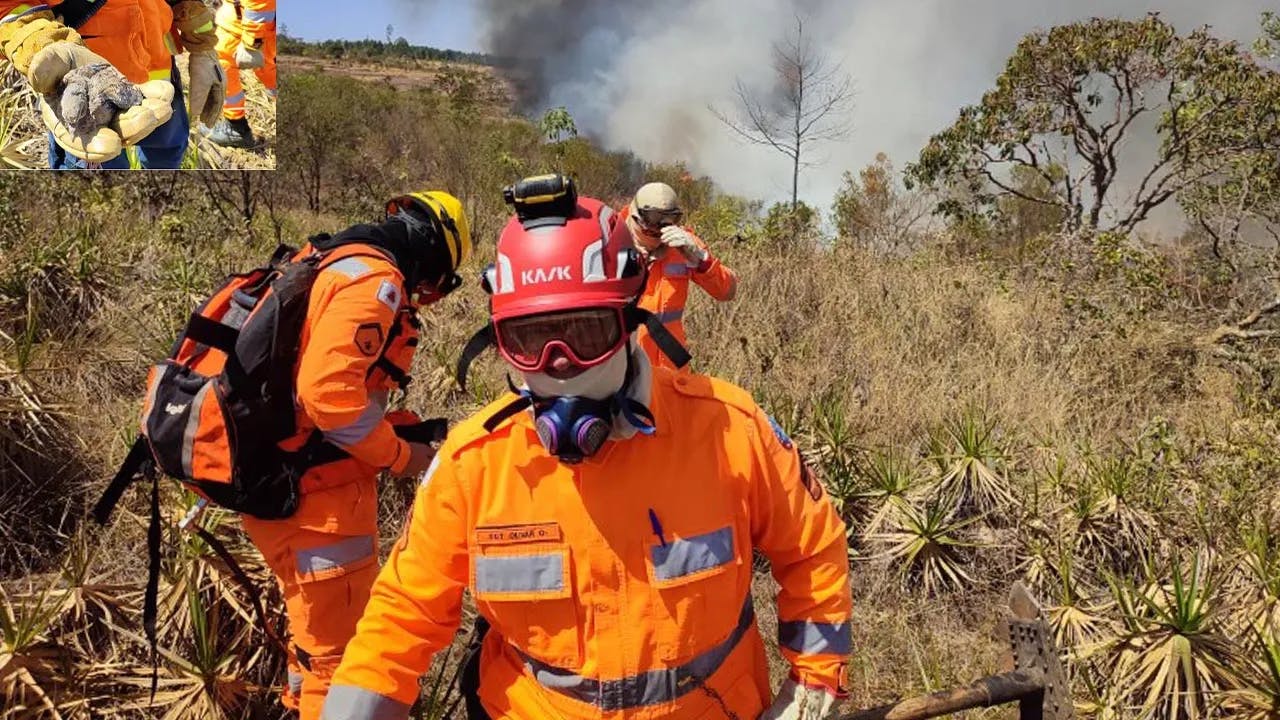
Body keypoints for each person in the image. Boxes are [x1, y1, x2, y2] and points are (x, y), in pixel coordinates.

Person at [321, 178, 852, 720]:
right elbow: (401, 617)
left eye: (584, 331)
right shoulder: (473, 464)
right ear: (500, 341)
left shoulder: (728, 429)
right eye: (531, 341)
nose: (561, 362)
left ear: (628, 322)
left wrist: (814, 688)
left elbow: (811, 548)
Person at [243, 191, 472, 720]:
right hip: (319, 511)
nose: (427, 295)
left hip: (280, 490)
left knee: (311, 639)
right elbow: (328, 396)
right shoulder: (377, 281)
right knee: (341, 663)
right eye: (435, 284)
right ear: (431, 253)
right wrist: (400, 456)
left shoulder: (332, 258)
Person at [0, 0, 225, 169]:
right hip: (86, 96)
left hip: (159, 77)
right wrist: (46, 52)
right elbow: (9, 8)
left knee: (168, 153)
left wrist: (202, 43)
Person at [623, 181, 738, 370]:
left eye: (667, 222)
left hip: (670, 364)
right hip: (627, 364)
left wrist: (702, 259)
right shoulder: (611, 239)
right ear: (636, 217)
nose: (659, 233)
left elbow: (727, 291)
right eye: (652, 224)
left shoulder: (683, 244)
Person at [205, 0, 275, 148]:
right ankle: (236, 127)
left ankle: (236, 128)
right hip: (239, 21)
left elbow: (261, 3)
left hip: (249, 27)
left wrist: (252, 44)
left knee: (271, 76)